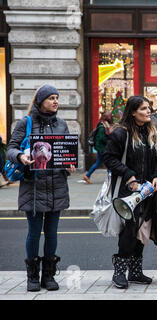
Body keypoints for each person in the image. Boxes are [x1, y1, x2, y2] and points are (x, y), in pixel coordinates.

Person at [6, 84, 75, 292]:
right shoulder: (26, 122)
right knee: (34, 233)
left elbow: (67, 152)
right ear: (40, 101)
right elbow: (11, 148)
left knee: (52, 233)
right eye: (51, 98)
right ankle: (32, 275)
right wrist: (20, 156)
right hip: (33, 185)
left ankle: (49, 275)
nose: (55, 101)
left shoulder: (62, 124)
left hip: (57, 185)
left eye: (57, 97)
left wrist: (69, 165)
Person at [103, 95, 157, 289]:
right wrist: (128, 174)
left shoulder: (154, 130)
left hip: (149, 190)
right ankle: (120, 272)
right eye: (144, 109)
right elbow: (109, 158)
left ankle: (136, 271)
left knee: (143, 229)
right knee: (129, 231)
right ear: (132, 112)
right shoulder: (121, 133)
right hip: (128, 192)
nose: (149, 111)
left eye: (149, 108)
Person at [83, 111, 113, 184]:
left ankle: (87, 175)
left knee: (99, 162)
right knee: (109, 163)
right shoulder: (102, 126)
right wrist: (110, 140)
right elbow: (101, 138)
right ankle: (110, 179)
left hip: (102, 148)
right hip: (103, 148)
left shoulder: (104, 125)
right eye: (110, 116)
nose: (111, 117)